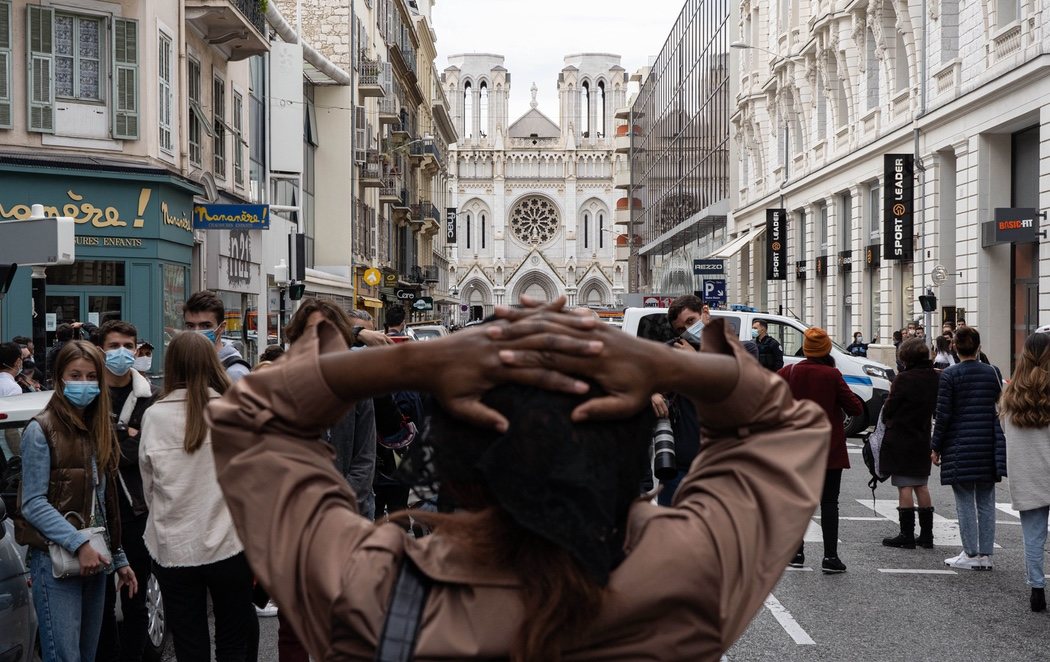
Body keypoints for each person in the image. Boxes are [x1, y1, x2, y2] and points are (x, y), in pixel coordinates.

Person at [205, 299, 832, 661]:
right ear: (624, 455)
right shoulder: (688, 571)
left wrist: (415, 359)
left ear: (456, 469)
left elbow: (250, 420)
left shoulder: (365, 586)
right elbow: (780, 427)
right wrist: (666, 360)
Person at [139, 331, 258, 661]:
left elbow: (149, 486)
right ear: (211, 363)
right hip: (230, 543)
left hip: (175, 546)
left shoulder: (154, 415)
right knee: (233, 638)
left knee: (190, 642)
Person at [15, 341, 137, 661]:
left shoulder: (96, 429)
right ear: (59, 377)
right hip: (58, 562)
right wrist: (78, 544)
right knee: (65, 656)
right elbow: (33, 503)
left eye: (90, 376)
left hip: (97, 559)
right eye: (75, 375)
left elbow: (101, 502)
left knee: (86, 654)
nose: (83, 383)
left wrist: (119, 557)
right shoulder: (41, 430)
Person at [94, 321, 157, 662]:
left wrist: (115, 440)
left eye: (127, 345)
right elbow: (88, 452)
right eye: (113, 344)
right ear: (101, 348)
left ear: (136, 348)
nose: (121, 351)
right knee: (99, 604)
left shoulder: (149, 396)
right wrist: (125, 434)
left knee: (136, 598)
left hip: (135, 512)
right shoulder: (89, 392)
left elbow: (145, 450)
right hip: (96, 513)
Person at [778, 327, 863, 573]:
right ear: (826, 349)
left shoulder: (789, 371)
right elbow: (856, 408)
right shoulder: (832, 375)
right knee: (829, 502)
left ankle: (796, 552)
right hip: (828, 448)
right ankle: (830, 557)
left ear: (805, 349)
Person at [931, 326, 1006, 571]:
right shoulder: (992, 372)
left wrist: (936, 446)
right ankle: (986, 555)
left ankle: (970, 552)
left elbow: (943, 415)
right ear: (979, 347)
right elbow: (998, 403)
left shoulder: (950, 375)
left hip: (959, 443)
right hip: (987, 441)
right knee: (986, 500)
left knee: (964, 499)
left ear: (954, 347)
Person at [999, 331, 1050, 611]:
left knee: (1033, 536)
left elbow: (1006, 432)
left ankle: (1037, 589)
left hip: (1027, 472)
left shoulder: (1010, 395)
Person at [879, 338, 941, 549]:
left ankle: (906, 533)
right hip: (922, 434)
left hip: (901, 435)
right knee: (921, 485)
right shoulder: (935, 377)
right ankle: (927, 535)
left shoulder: (903, 378)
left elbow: (890, 408)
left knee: (904, 484)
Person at [183, 290, 251, 382]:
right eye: (190, 326)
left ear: (221, 327)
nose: (197, 332)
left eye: (206, 326)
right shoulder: (184, 364)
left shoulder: (234, 373)